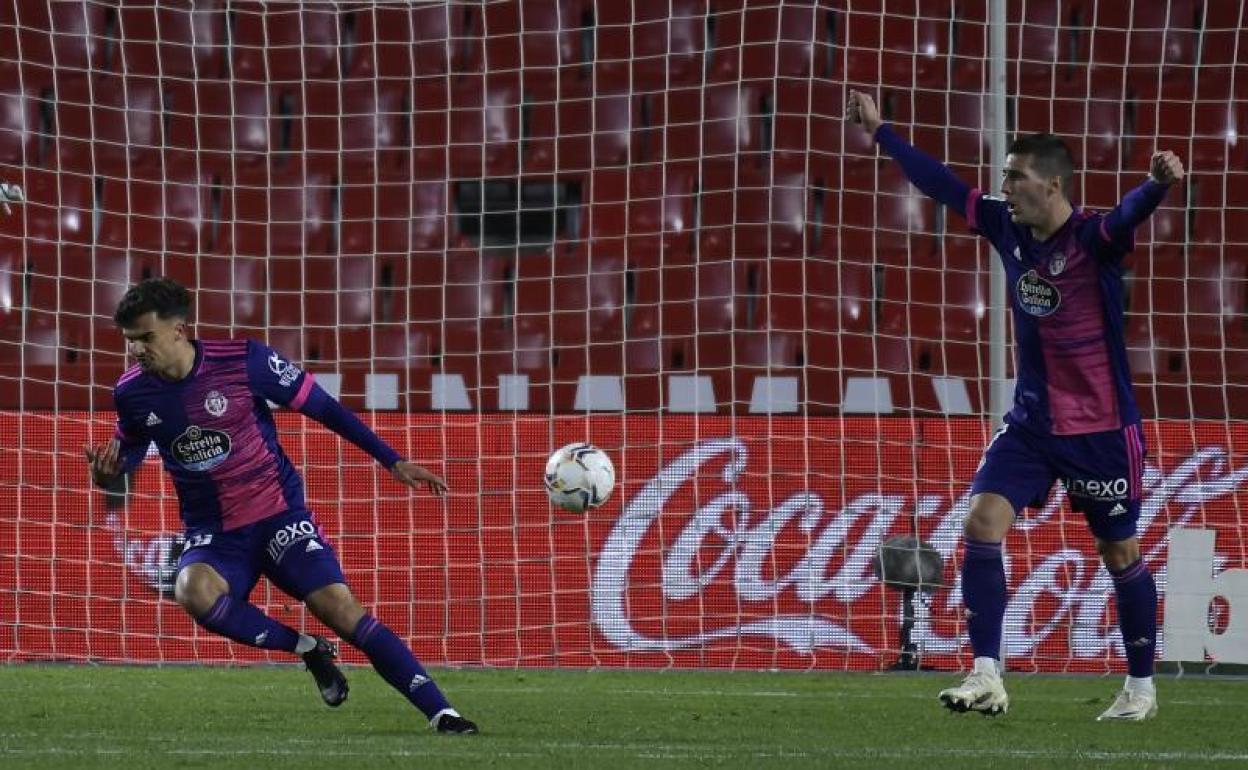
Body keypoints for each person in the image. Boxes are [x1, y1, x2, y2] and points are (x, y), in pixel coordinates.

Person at [846, 90, 1184, 721]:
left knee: (1120, 554)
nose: (1003, 185)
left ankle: (1141, 687)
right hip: (1031, 423)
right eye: (1003, 174)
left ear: (1051, 186)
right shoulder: (1006, 224)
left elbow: (1128, 216)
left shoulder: (1093, 239)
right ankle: (987, 673)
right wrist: (883, 133)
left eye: (1015, 175)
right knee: (980, 523)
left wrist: (1155, 186)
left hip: (1101, 429)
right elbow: (944, 185)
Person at [84, 277, 479, 734]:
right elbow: (125, 455)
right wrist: (105, 472)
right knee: (192, 588)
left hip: (277, 515)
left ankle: (442, 712)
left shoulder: (246, 360)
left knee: (339, 607)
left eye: (145, 338)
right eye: (130, 341)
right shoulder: (132, 391)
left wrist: (392, 460)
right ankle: (307, 649)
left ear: (178, 330)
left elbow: (327, 409)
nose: (136, 351)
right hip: (215, 534)